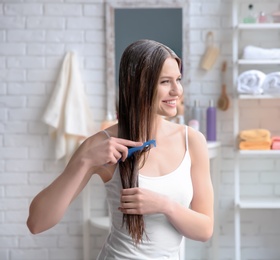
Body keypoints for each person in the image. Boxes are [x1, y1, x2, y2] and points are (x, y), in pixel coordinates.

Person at [27, 39, 214, 259]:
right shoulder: (102, 144)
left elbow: (205, 230)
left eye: (178, 80)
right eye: (165, 82)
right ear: (139, 85)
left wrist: (165, 205)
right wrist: (84, 161)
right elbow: (37, 223)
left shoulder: (192, 140)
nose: (177, 90)